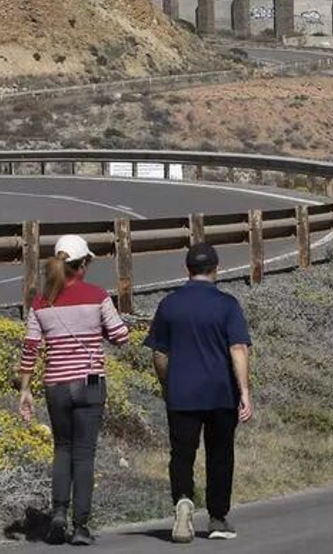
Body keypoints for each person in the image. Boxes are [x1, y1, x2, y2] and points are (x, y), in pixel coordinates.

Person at [18, 233, 130, 546]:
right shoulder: (97, 296)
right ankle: (80, 526)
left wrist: (25, 389)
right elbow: (121, 337)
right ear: (82, 265)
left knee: (62, 449)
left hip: (56, 384)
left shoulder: (41, 302)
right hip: (90, 382)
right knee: (84, 454)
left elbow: (30, 348)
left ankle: (58, 514)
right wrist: (100, 332)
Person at [146, 242, 253, 544]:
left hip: (182, 392)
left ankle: (183, 499)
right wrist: (245, 391)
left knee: (182, 453)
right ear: (216, 268)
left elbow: (159, 353)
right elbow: (238, 348)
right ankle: (217, 517)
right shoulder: (227, 304)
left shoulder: (169, 304)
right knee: (220, 454)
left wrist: (167, 384)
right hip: (221, 393)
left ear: (187, 269)